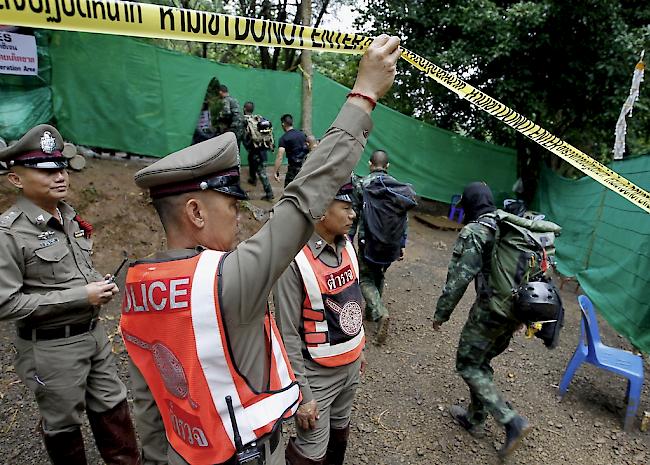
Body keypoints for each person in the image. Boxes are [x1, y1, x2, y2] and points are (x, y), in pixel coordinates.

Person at [121, 34, 401, 465]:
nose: (239, 216)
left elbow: (149, 398)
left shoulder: (138, 286)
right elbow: (304, 198)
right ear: (195, 212)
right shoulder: (228, 278)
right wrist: (363, 96)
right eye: (231, 205)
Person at [0, 125, 140, 465]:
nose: (59, 176)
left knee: (113, 407)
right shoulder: (9, 233)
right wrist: (81, 296)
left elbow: (72, 271)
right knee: (63, 424)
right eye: (46, 171)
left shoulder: (69, 217)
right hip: (51, 348)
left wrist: (97, 283)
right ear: (16, 179)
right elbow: (6, 304)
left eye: (61, 167)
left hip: (93, 336)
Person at [432, 182, 532, 458]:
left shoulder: (476, 230)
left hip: (489, 312)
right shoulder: (509, 227)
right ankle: (474, 420)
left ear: (469, 205)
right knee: (481, 362)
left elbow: (460, 277)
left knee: (467, 364)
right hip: (513, 313)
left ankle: (512, 420)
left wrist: (442, 313)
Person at [273, 182, 366, 465]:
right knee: (311, 452)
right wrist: (303, 395)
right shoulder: (293, 261)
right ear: (323, 210)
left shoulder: (348, 246)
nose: (353, 215)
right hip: (317, 378)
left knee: (340, 432)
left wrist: (360, 349)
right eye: (346, 208)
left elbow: (355, 300)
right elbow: (286, 333)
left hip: (350, 368)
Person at [349, 150, 416, 345]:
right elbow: (404, 219)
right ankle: (370, 313)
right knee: (379, 274)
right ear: (387, 166)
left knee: (364, 278)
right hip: (392, 244)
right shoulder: (398, 187)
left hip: (368, 241)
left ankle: (379, 312)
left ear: (370, 164)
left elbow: (354, 214)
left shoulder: (362, 184)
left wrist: (349, 239)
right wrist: (402, 244)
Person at [242, 100, 275, 201]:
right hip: (260, 149)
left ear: (244, 109)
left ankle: (269, 194)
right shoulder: (258, 119)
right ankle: (253, 179)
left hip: (255, 150)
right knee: (251, 160)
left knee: (262, 172)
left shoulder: (244, 121)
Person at [273, 114, 308, 187]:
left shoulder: (284, 138)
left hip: (293, 169)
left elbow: (280, 156)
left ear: (283, 124)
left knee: (288, 190)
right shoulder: (302, 134)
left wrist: (276, 171)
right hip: (305, 167)